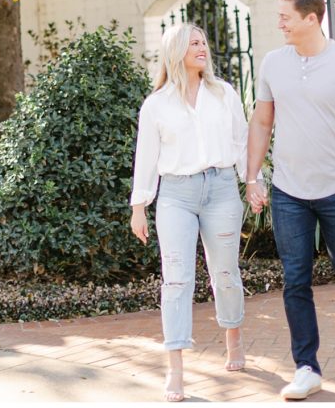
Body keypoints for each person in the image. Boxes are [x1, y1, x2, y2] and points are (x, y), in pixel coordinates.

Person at [245, 0, 335, 400]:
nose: (279, 22)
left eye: (285, 15)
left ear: (312, 18)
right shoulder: (273, 62)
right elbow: (261, 123)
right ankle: (306, 366)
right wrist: (253, 177)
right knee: (295, 279)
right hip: (289, 191)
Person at [129, 23, 254, 402]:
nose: (202, 48)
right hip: (175, 196)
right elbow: (146, 159)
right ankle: (176, 369)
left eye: (204, 41)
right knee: (177, 280)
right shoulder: (156, 105)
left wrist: (254, 180)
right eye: (193, 43)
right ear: (175, 51)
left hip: (220, 189)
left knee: (225, 273)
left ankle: (233, 336)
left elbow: (243, 140)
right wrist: (139, 208)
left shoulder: (224, 94)